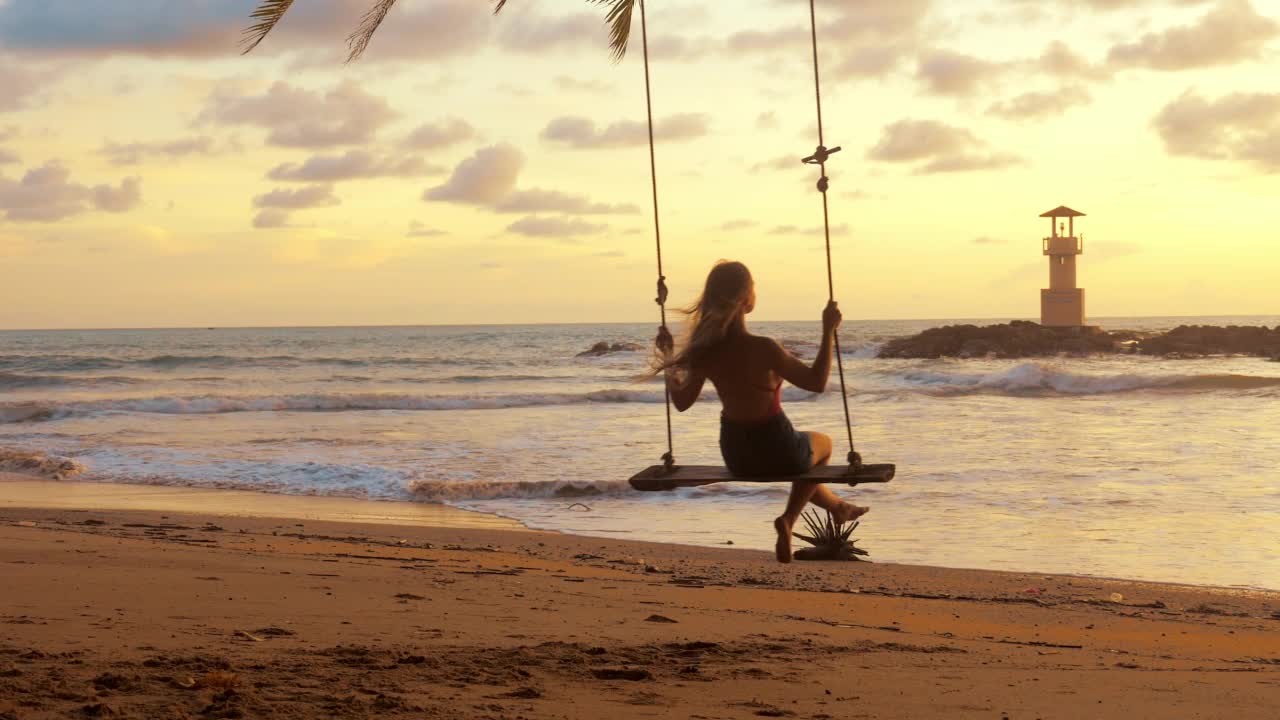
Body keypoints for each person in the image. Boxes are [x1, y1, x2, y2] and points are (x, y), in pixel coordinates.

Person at [652, 260, 868, 563]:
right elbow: (817, 382)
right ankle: (789, 520)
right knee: (823, 445)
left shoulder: (707, 352)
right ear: (747, 300)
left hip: (737, 455)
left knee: (806, 460)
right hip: (778, 447)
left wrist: (668, 358)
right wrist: (827, 332)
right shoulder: (765, 348)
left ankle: (838, 507)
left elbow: (682, 402)